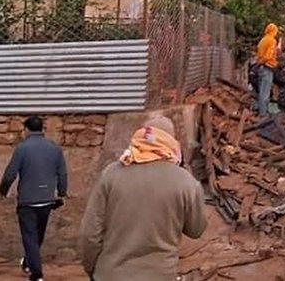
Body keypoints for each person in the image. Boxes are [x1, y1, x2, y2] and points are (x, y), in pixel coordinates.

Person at [79, 116, 206, 280]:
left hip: (110, 274)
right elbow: (196, 229)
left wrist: (92, 269)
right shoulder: (186, 182)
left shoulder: (111, 174)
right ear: (171, 142)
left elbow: (89, 233)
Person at [0, 116, 68, 281]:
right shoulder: (55, 148)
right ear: (42, 130)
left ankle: (36, 274)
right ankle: (28, 263)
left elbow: (10, 174)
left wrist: (3, 191)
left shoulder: (22, 148)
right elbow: (62, 173)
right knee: (38, 235)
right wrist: (62, 193)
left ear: (27, 130)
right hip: (47, 200)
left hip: (27, 201)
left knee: (29, 236)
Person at [255, 23, 279, 117]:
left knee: (261, 91)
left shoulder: (262, 40)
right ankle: (263, 114)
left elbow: (259, 53)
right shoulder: (272, 41)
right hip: (267, 67)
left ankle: (262, 111)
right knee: (265, 92)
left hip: (261, 67)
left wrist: (259, 62)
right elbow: (268, 55)